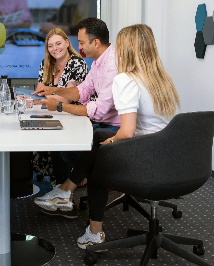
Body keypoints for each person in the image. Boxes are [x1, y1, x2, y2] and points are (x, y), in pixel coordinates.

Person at [76, 23, 181, 249]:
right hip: (171, 157)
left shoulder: (126, 80)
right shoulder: (162, 79)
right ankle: (67, 188)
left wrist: (109, 143)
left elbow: (126, 132)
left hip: (147, 158)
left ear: (127, 50)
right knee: (98, 138)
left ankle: (94, 232)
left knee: (99, 162)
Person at [32, 17, 121, 218]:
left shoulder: (112, 66)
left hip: (115, 126)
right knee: (70, 146)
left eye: (81, 42)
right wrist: (53, 90)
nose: (79, 46)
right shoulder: (98, 62)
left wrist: (60, 105)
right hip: (102, 122)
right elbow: (83, 91)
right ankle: (67, 189)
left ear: (95, 42)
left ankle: (66, 190)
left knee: (88, 144)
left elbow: (98, 110)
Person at [32, 28, 88, 184]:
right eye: (50, 46)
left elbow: (66, 98)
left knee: (58, 142)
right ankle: (61, 183)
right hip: (54, 113)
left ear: (67, 43)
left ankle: (68, 182)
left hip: (75, 115)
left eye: (58, 43)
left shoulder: (77, 63)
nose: (54, 48)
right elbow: (39, 92)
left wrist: (39, 98)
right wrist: (32, 97)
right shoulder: (46, 63)